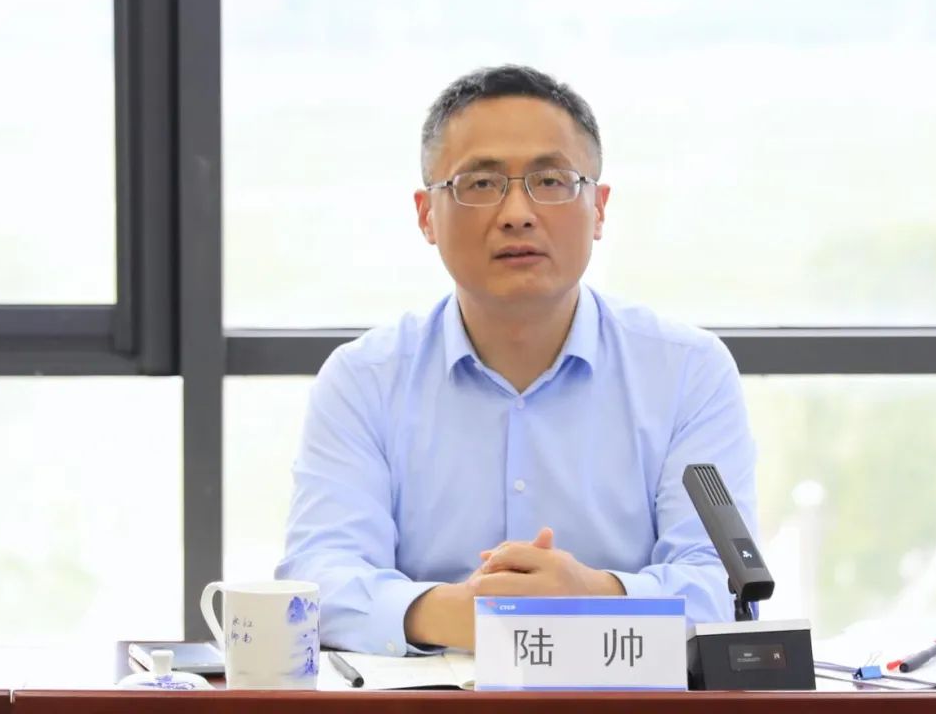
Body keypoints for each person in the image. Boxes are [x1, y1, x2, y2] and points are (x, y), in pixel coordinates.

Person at [276, 65, 758, 655]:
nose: (516, 213)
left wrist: (595, 596)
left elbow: (726, 587)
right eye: (480, 184)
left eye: (551, 180)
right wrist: (455, 613)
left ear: (599, 208)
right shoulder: (363, 381)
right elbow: (317, 578)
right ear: (426, 215)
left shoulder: (688, 372)